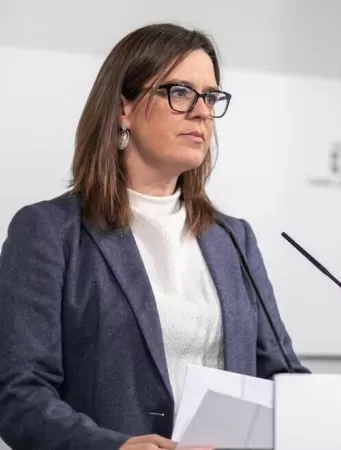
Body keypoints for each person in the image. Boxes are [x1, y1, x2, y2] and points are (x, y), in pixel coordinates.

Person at [0, 23, 309, 450]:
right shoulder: (50, 233)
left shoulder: (234, 239)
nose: (202, 112)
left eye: (210, 97)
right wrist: (113, 447)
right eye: (180, 92)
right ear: (123, 109)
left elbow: (281, 376)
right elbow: (18, 394)